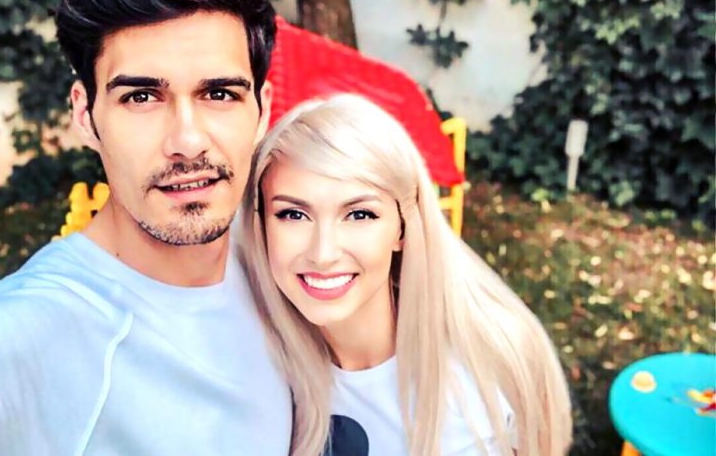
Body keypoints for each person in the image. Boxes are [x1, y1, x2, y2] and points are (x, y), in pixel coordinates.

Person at [0, 0, 292, 454]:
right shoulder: (13, 341)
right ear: (85, 115)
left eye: (219, 94)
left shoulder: (293, 267)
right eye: (141, 97)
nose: (187, 141)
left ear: (262, 110)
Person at [237, 94, 573, 456]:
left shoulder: (491, 359)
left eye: (359, 215)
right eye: (293, 214)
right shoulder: (254, 362)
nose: (323, 253)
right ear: (262, 226)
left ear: (402, 227)